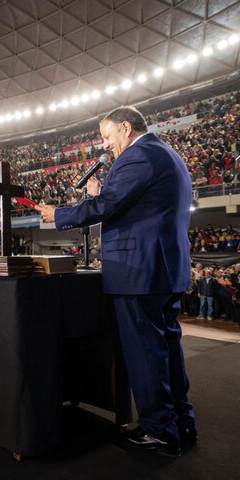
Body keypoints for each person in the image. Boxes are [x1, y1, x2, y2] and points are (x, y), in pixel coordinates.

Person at [38, 105, 197, 458]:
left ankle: (160, 432)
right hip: (163, 269)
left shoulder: (138, 156)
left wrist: (59, 214)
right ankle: (180, 423)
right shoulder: (165, 154)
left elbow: (108, 208)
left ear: (126, 128)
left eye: (108, 136)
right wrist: (101, 194)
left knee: (146, 353)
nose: (106, 145)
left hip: (139, 271)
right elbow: (133, 207)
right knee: (168, 349)